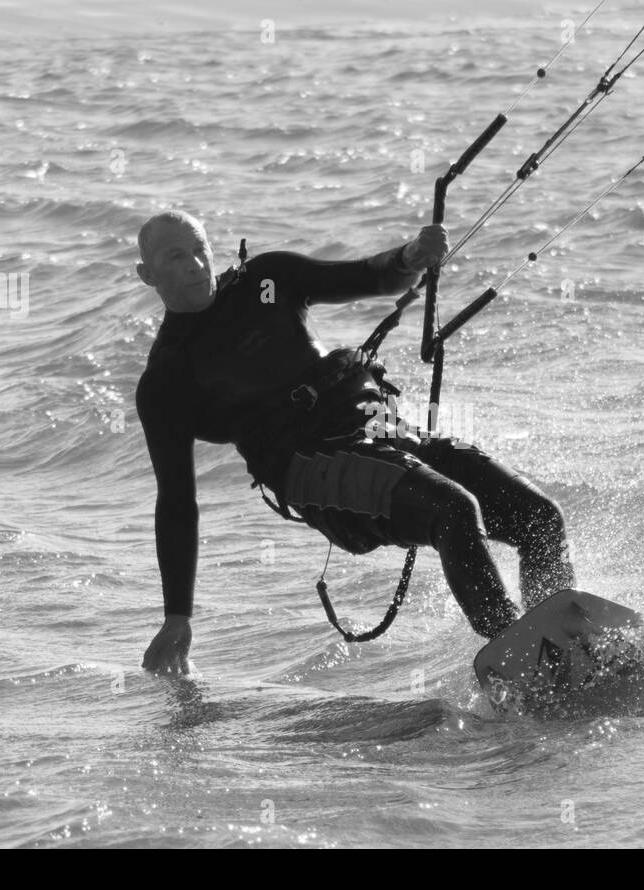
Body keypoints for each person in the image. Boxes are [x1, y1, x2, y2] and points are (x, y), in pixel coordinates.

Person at [134, 210, 575, 674]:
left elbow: (369, 276)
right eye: (176, 256)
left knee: (539, 517)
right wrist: (177, 616)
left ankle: (566, 638)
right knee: (454, 509)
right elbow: (177, 502)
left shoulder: (264, 281)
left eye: (200, 250)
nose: (196, 266)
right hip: (314, 468)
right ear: (148, 275)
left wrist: (409, 257)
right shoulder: (168, 378)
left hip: (380, 427)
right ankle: (524, 660)